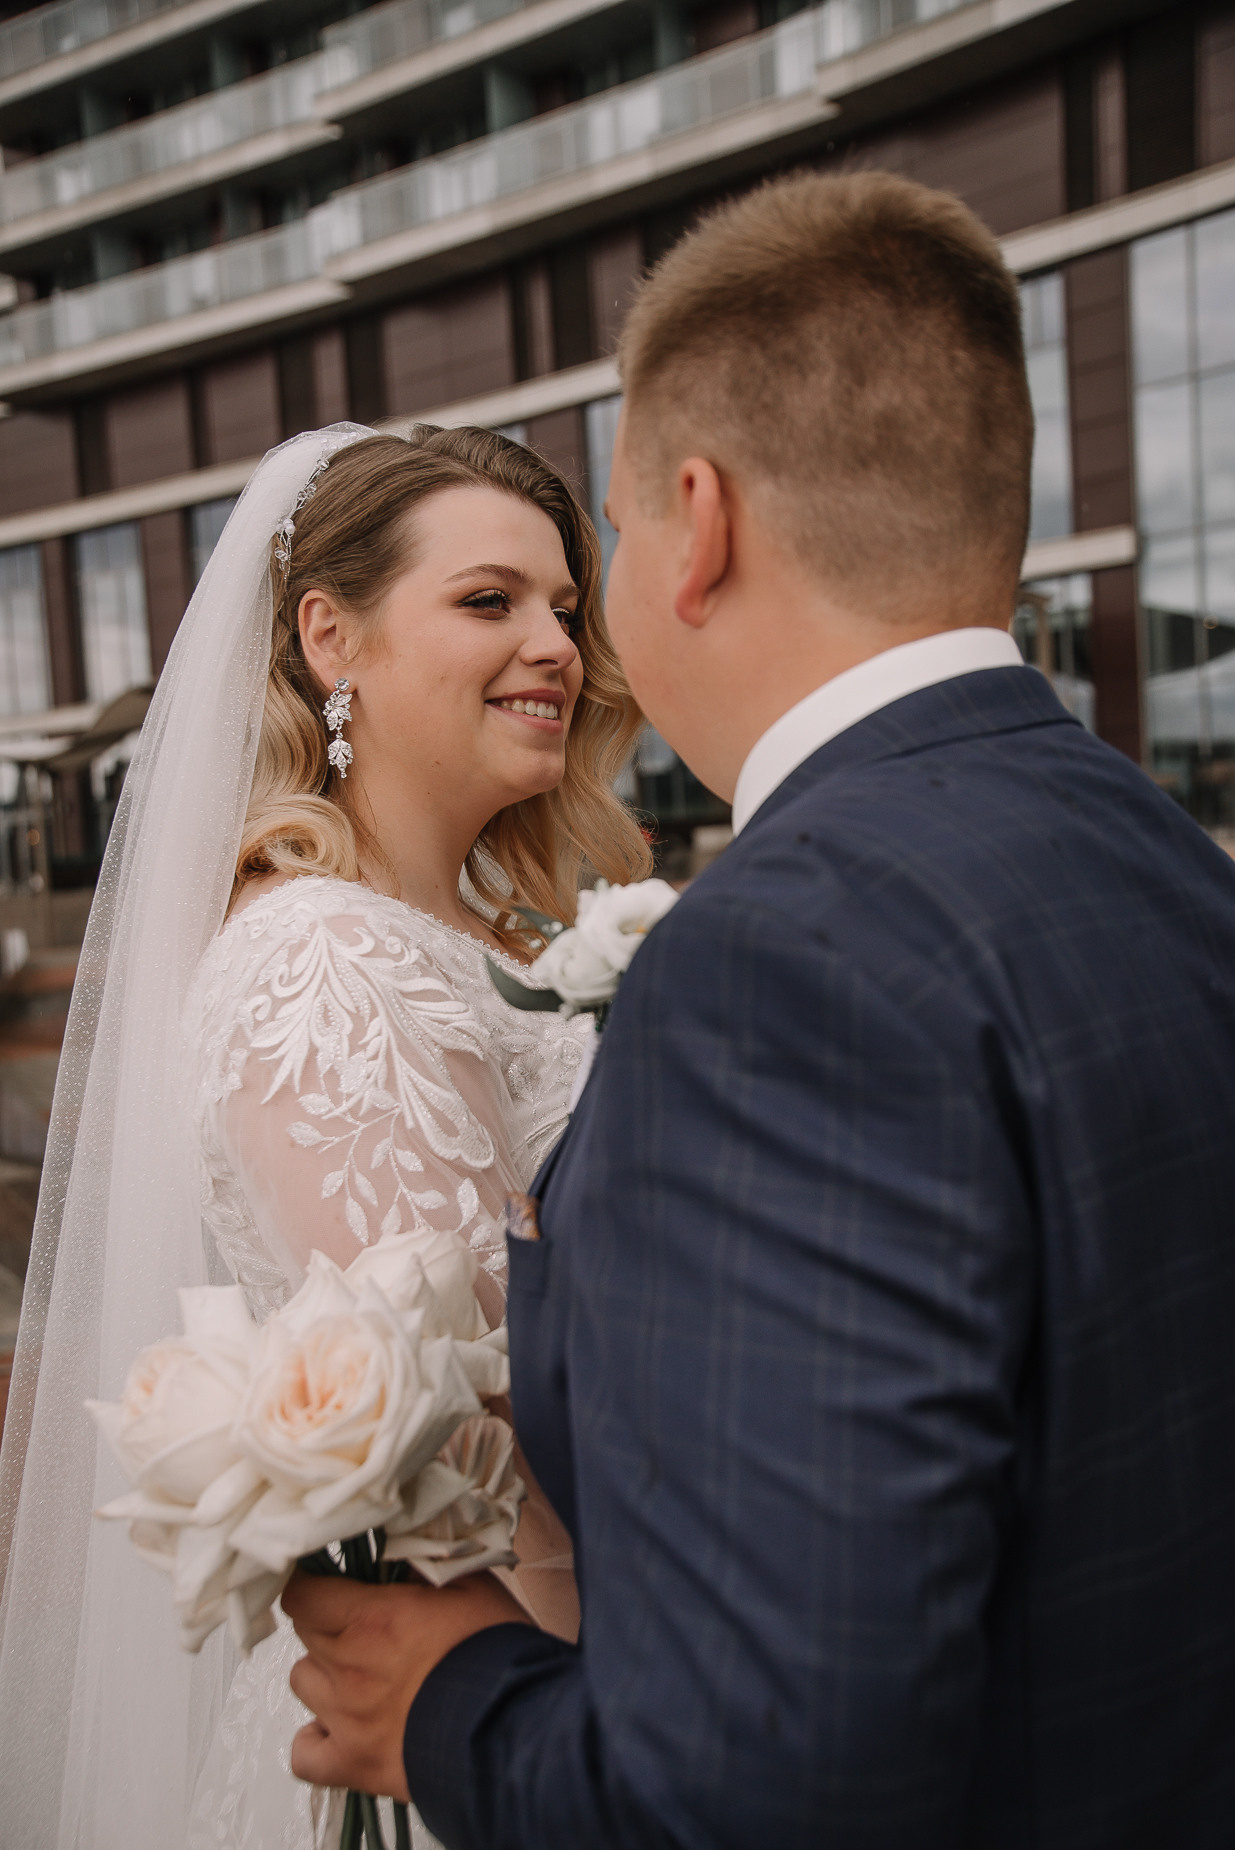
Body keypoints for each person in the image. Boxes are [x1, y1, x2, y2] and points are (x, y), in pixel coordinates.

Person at [285, 172, 1235, 1846]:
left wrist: (447, 1698)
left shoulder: (778, 958)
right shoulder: (1173, 866)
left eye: (612, 547)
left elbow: (762, 1782)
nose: (584, 627)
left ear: (701, 522)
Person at [0, 423, 650, 1849]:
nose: (557, 643)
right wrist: (593, 1751)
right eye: (491, 602)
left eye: (564, 605)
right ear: (329, 637)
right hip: (484, 1704)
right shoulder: (319, 965)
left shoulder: (510, 941)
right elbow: (492, 1438)